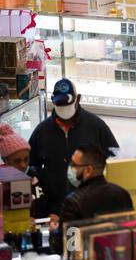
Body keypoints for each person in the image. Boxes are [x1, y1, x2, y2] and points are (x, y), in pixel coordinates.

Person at [29, 78, 119, 225]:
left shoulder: (96, 127)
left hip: (91, 206)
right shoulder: (42, 131)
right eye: (60, 106)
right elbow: (31, 167)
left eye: (67, 105)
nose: (64, 112)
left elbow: (115, 161)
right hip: (54, 210)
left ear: (78, 99)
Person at [60, 143, 133, 223]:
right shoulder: (122, 194)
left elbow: (68, 234)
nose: (71, 168)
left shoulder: (73, 203)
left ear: (88, 170)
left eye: (74, 165)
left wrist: (55, 231)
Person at [0, 123, 47, 219]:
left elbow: (50, 200)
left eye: (26, 159)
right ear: (5, 160)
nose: (23, 165)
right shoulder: (2, 184)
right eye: (17, 161)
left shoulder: (38, 175)